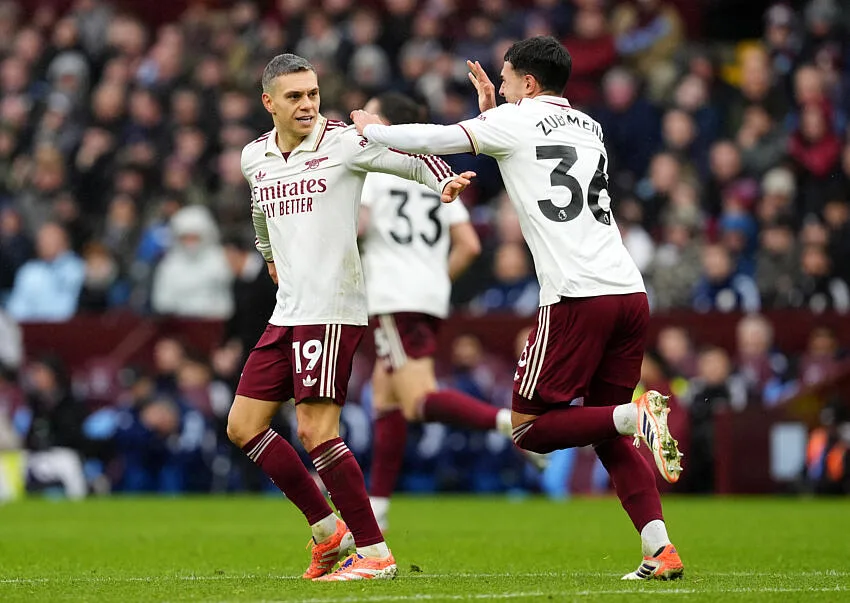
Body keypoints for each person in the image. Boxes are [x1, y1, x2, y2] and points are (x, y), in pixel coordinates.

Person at [352, 36, 684, 580]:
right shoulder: (590, 127)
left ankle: (636, 414)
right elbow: (529, 152)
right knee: (600, 429)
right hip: (628, 290)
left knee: (530, 429)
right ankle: (659, 549)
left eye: (504, 79)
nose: (498, 87)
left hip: (576, 295)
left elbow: (439, 138)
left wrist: (373, 129)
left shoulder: (516, 120)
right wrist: (496, 113)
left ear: (528, 83)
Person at [225, 54, 473, 582]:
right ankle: (326, 531)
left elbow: (402, 154)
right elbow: (258, 210)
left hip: (333, 308)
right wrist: (268, 253)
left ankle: (375, 551)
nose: (308, 105)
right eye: (294, 97)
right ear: (268, 102)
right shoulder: (254, 157)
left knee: (317, 430)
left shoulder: (340, 141)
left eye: (313, 93)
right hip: (288, 308)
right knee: (243, 426)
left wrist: (442, 181)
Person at [358, 91, 517, 531]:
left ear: (385, 123)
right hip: (427, 296)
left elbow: (360, 227)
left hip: (392, 296)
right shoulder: (436, 170)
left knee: (417, 399)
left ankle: (512, 425)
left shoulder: (376, 167)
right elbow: (469, 244)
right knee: (385, 396)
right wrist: (434, 279)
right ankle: (379, 508)